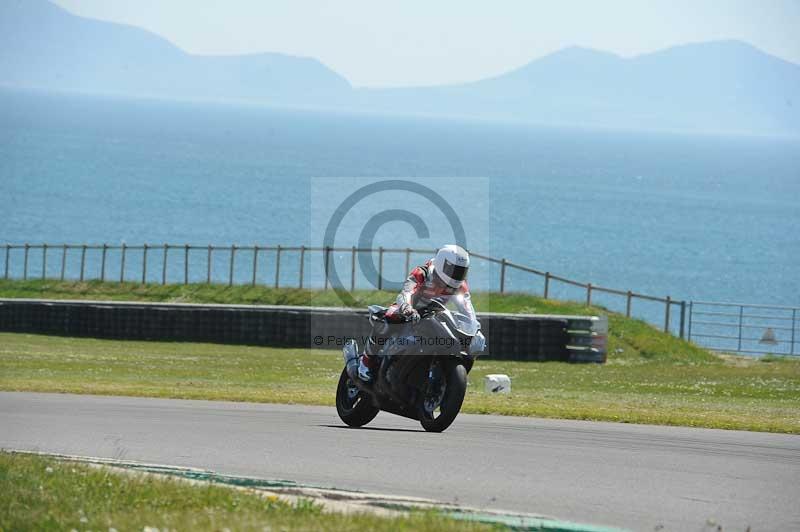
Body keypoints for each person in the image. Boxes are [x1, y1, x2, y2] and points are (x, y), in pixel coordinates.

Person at [358, 244, 475, 382]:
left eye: (461, 271)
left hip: (433, 315)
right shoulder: (423, 273)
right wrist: (407, 308)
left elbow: (468, 308)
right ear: (442, 263)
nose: (457, 275)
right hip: (408, 309)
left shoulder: (460, 286)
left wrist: (473, 327)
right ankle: (365, 362)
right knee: (389, 317)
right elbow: (406, 292)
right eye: (454, 270)